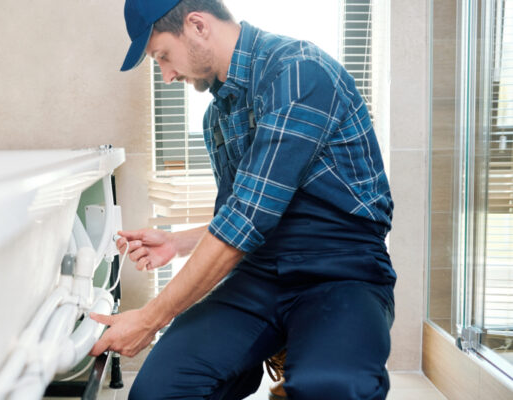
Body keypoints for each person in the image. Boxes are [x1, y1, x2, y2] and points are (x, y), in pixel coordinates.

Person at [89, 1, 397, 399]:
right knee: (158, 391)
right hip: (259, 275)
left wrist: (150, 319)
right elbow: (242, 216)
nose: (165, 75)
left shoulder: (298, 73)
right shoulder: (217, 118)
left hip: (340, 272)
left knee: (333, 387)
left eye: (163, 56)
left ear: (197, 25)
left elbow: (245, 222)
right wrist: (178, 242)